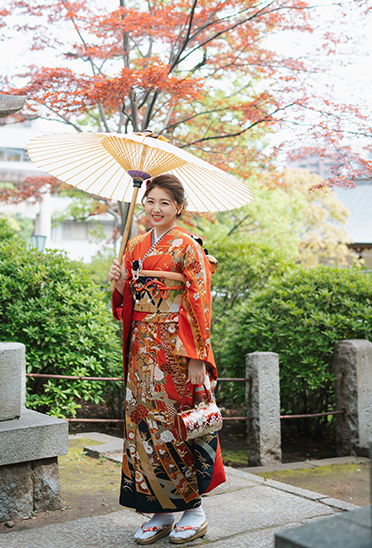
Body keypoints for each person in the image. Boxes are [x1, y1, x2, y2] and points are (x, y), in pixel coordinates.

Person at [107, 174, 225, 544]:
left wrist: (197, 356)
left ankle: (193, 510)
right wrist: (121, 286)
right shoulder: (135, 246)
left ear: (178, 208)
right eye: (150, 202)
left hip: (175, 347)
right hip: (142, 347)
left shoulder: (188, 246)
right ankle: (158, 510)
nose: (155, 209)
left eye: (164, 203)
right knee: (143, 426)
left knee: (176, 422)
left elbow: (199, 303)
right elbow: (125, 307)